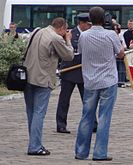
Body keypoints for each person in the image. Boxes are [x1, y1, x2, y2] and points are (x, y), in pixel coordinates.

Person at [74, 6, 124, 161]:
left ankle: (81, 152)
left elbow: (81, 51)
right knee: (104, 117)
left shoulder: (84, 35)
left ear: (90, 19)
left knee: (86, 116)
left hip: (89, 80)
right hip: (108, 80)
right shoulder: (110, 35)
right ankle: (100, 153)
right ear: (104, 19)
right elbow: (121, 53)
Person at [23, 17, 74, 155]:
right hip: (43, 79)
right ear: (62, 28)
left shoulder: (37, 31)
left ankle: (34, 143)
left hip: (28, 77)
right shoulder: (56, 38)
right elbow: (69, 55)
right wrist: (68, 39)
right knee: (39, 113)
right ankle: (35, 146)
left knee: (31, 113)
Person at [56, 13, 98, 134]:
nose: (90, 27)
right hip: (69, 71)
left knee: (88, 100)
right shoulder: (70, 34)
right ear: (82, 23)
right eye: (88, 24)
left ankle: (93, 123)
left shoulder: (90, 35)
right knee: (64, 100)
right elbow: (66, 52)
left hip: (84, 72)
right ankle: (61, 124)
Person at [113, 22, 127, 88]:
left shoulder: (120, 36)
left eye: (117, 29)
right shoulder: (110, 36)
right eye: (114, 29)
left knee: (121, 69)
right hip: (113, 57)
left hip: (120, 55)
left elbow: (124, 45)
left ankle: (121, 82)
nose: (116, 30)